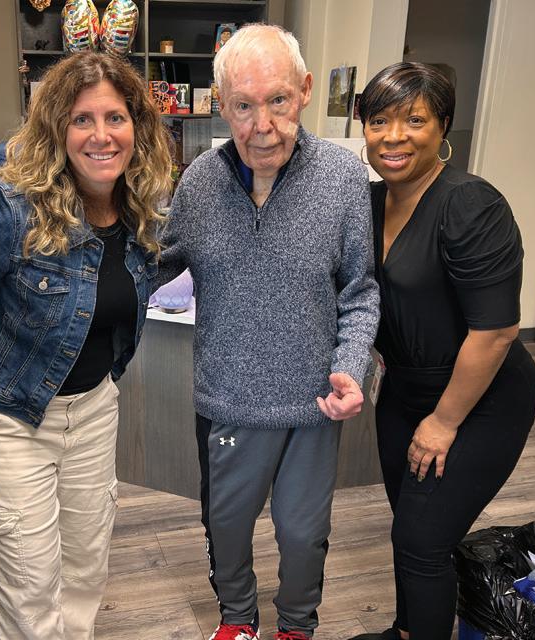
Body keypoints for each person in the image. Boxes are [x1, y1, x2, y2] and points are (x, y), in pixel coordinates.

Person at [157, 24, 380, 640]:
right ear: (221, 106)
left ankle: (297, 626)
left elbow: (360, 291)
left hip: (313, 403)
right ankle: (237, 619)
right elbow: (155, 264)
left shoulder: (344, 178)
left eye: (278, 100)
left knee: (303, 534)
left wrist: (351, 365)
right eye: (244, 106)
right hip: (228, 401)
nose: (263, 126)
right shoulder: (199, 183)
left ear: (304, 90)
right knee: (226, 528)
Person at [0, 52, 172, 639]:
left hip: (93, 412)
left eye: (115, 117)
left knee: (84, 572)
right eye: (82, 119)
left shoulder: (139, 210)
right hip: (10, 421)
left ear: (136, 126)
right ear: (57, 129)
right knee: (27, 592)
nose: (101, 135)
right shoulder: (15, 212)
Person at [349, 62, 535, 640]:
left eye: (414, 120)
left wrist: (444, 422)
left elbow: (496, 332)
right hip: (405, 388)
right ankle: (407, 630)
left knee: (423, 540)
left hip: (478, 399)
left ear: (443, 127)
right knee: (408, 528)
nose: (394, 137)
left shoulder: (470, 205)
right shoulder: (369, 201)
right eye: (379, 121)